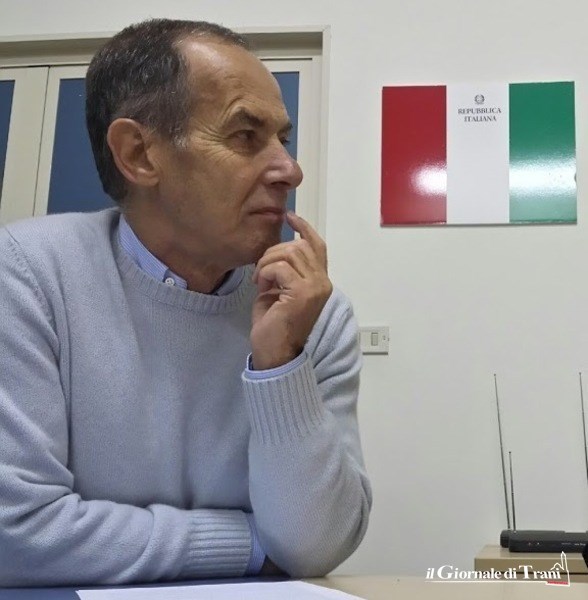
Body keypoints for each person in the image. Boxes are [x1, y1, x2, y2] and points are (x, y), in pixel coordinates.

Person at [0, 18, 371, 587]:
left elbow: (315, 546)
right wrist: (251, 542)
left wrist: (280, 364)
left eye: (284, 139)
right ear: (139, 155)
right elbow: (17, 532)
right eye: (245, 136)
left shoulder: (312, 316)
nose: (289, 170)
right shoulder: (27, 274)